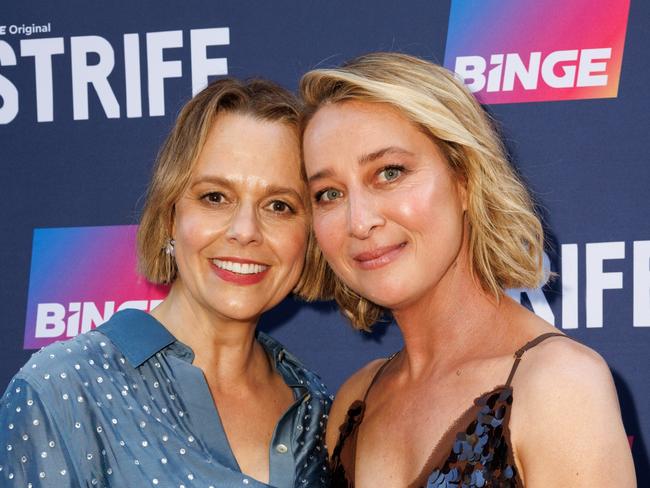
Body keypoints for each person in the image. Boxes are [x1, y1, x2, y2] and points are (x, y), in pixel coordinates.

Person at [299, 52, 636, 487]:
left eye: (389, 172)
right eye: (328, 194)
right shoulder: (354, 400)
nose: (359, 221)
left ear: (464, 179)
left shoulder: (560, 386)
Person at [0, 78, 330, 487]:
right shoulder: (63, 390)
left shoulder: (318, 408)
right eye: (215, 197)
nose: (245, 231)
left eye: (279, 206)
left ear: (311, 234)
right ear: (171, 215)